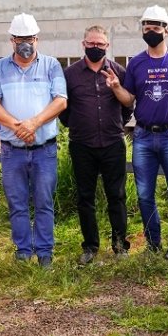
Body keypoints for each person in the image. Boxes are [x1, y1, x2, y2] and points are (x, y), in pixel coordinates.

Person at [108, 5, 168, 261]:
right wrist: (117, 87)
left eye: (156, 27)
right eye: (147, 27)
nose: (151, 31)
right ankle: (153, 243)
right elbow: (129, 100)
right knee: (144, 194)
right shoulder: (136, 63)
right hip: (144, 137)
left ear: (166, 30)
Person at [0, 13, 67, 269]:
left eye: (29, 38)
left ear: (37, 39)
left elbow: (61, 100)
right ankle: (23, 251)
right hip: (12, 151)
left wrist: (34, 123)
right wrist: (17, 126)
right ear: (12, 40)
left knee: (44, 203)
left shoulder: (52, 65)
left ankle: (44, 253)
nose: (25, 43)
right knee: (17, 203)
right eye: (20, 39)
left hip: (44, 149)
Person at [60, 25, 133, 264]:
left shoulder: (119, 71)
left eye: (100, 44)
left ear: (107, 46)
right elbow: (64, 110)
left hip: (112, 143)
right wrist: (80, 126)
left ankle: (120, 245)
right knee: (85, 197)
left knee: (117, 196)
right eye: (91, 44)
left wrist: (116, 88)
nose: (95, 48)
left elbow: (128, 105)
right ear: (83, 44)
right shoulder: (70, 74)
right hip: (82, 145)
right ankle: (90, 246)